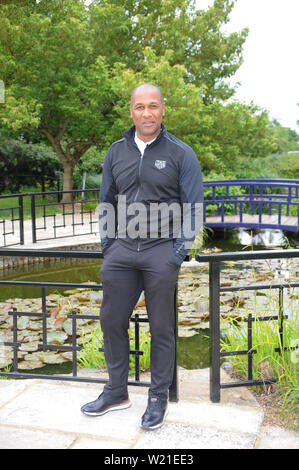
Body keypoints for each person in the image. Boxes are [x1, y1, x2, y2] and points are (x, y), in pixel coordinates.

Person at [81, 83, 204, 430]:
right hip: (121, 251)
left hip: (160, 252)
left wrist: (176, 253)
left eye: (153, 106)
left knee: (161, 328)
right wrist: (109, 246)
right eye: (139, 107)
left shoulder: (182, 153)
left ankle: (157, 397)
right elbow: (106, 200)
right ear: (131, 111)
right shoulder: (116, 151)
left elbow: (194, 207)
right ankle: (116, 391)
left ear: (163, 108)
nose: (146, 113)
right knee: (111, 321)